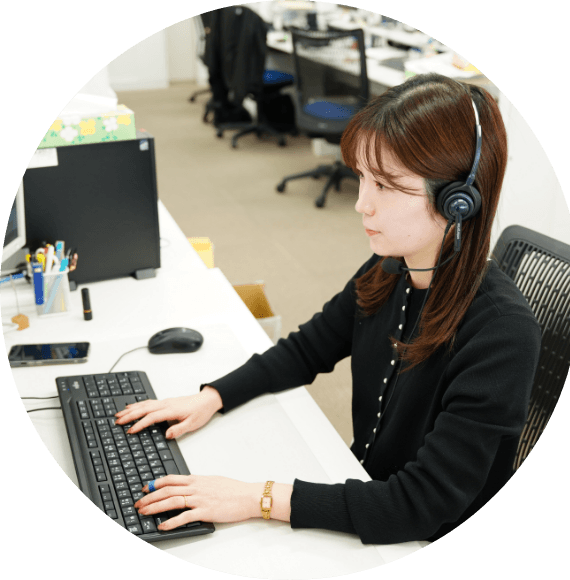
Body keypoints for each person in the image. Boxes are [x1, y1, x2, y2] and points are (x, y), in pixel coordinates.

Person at [115, 73, 542, 543]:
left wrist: (257, 498)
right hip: (364, 496)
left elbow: (421, 504)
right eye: (362, 178)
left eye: (386, 185)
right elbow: (307, 349)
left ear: (457, 201)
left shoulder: (502, 333)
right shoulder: (390, 268)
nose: (362, 204)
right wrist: (212, 397)